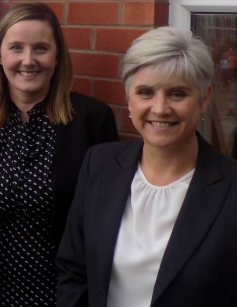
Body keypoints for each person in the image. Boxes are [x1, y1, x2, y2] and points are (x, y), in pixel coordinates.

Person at [0, 3, 118, 307]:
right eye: (16, 47)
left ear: (57, 56)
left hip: (63, 298)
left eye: (41, 48)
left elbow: (106, 227)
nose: (28, 60)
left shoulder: (92, 121)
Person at [56, 27, 237, 307]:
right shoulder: (99, 164)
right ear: (128, 97)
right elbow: (73, 269)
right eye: (146, 92)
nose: (160, 108)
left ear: (204, 98)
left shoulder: (231, 188)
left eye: (177, 94)